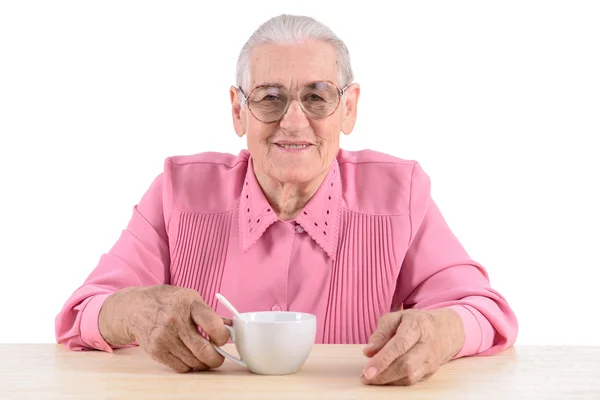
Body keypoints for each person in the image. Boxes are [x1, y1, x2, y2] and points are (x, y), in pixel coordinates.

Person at [55, 14, 518, 386]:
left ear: (349, 108)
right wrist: (135, 311)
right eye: (270, 98)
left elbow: (485, 311)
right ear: (238, 111)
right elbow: (82, 314)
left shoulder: (401, 193)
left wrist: (441, 333)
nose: (294, 122)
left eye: (317, 97)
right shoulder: (178, 190)